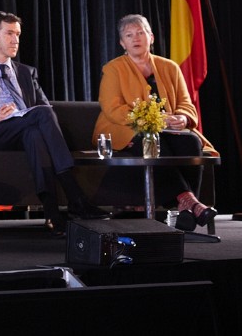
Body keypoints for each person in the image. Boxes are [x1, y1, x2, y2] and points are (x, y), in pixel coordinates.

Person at [0, 11, 108, 232]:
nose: (16, 40)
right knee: (41, 115)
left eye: (18, 34)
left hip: (25, 131)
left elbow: (44, 108)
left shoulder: (26, 72)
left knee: (34, 133)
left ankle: (52, 215)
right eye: (9, 34)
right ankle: (75, 197)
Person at [93, 14, 218, 229]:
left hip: (168, 130)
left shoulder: (170, 67)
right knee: (151, 140)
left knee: (191, 143)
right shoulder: (113, 69)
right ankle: (191, 205)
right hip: (126, 130)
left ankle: (185, 211)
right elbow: (112, 108)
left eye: (140, 33)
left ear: (151, 37)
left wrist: (182, 117)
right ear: (122, 43)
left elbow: (186, 104)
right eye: (129, 35)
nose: (135, 38)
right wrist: (151, 121)